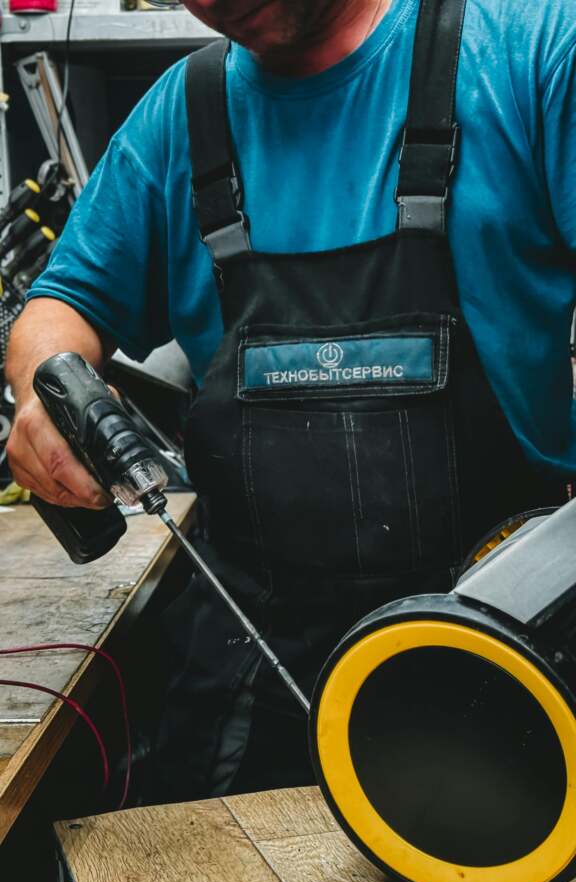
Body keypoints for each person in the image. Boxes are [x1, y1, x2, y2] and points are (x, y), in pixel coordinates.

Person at [6, 0, 576, 800]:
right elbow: (60, 304)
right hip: (252, 685)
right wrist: (46, 388)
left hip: (508, 663)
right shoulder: (183, 113)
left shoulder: (530, 52)